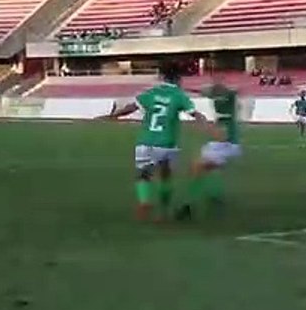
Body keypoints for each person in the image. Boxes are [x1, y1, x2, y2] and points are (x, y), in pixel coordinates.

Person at [102, 63, 214, 221]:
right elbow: (195, 114)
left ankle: (144, 200)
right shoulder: (179, 95)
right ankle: (163, 212)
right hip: (167, 143)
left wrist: (113, 116)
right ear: (178, 79)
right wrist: (205, 125)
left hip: (146, 142)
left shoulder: (151, 93)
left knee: (143, 175)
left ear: (163, 78)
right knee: (165, 176)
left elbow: (131, 107)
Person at [177, 80, 241, 219]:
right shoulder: (221, 99)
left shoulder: (228, 100)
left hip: (227, 146)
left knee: (198, 169)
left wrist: (209, 129)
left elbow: (222, 136)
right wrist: (186, 88)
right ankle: (214, 195)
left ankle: (189, 205)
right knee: (203, 169)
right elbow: (203, 92)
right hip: (220, 146)